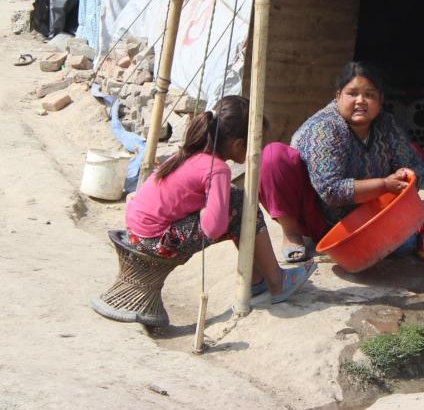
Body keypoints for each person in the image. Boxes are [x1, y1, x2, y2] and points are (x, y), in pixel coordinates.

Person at [125, 95, 315, 303]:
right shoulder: (218, 169)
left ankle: (256, 279)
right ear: (239, 145)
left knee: (234, 200)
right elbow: (213, 228)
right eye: (257, 142)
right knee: (242, 206)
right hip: (156, 241)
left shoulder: (187, 154)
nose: (259, 150)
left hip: (137, 232)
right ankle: (276, 281)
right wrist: (205, 212)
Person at [259, 62, 424, 262]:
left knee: (415, 152)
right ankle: (291, 234)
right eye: (352, 93)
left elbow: (415, 169)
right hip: (318, 216)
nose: (361, 101)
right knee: (273, 156)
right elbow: (331, 191)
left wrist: (404, 176)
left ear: (380, 100)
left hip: (369, 213)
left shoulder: (386, 123)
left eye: (369, 95)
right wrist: (384, 185)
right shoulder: (326, 128)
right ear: (338, 96)